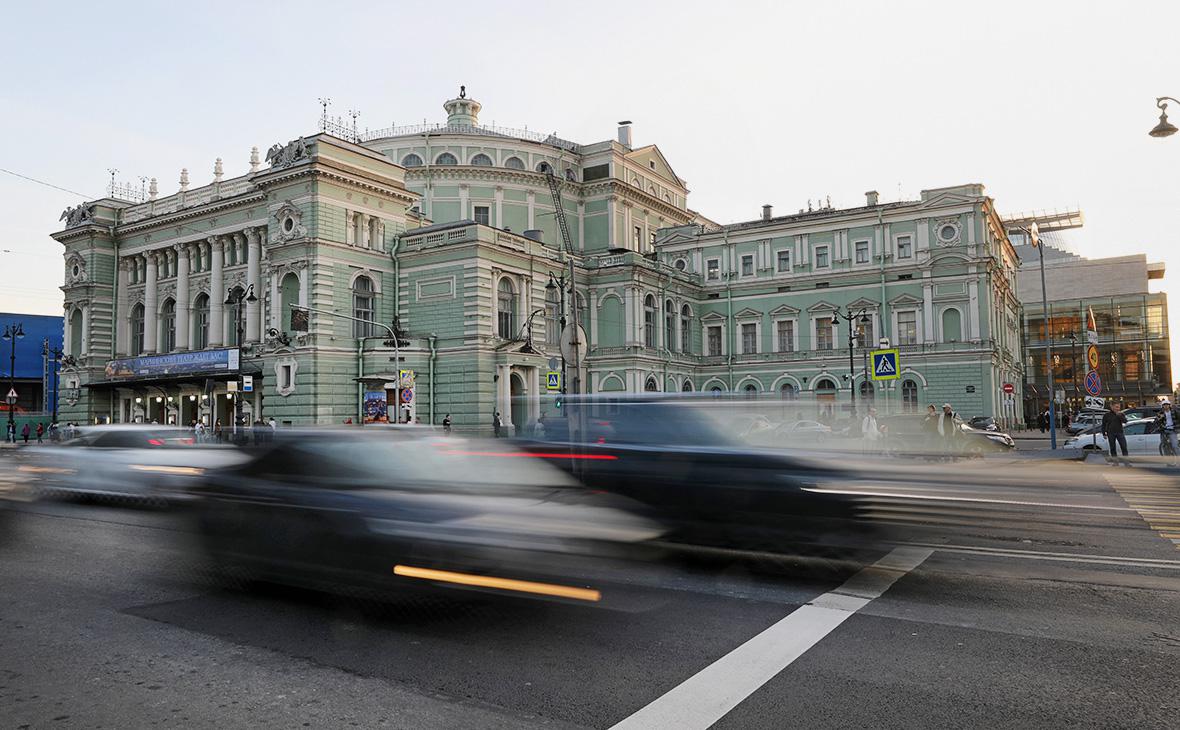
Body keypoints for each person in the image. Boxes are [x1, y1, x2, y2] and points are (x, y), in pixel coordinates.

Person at [1155, 401, 1178, 466]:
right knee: (1164, 446)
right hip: (1164, 430)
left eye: (1167, 405)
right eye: (1164, 405)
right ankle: (1169, 462)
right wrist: (1159, 419)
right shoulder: (1160, 413)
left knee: (1175, 446)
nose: (1166, 406)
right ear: (1162, 406)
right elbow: (1156, 422)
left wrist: (1177, 427)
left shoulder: (1174, 412)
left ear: (1169, 405)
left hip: (1172, 430)